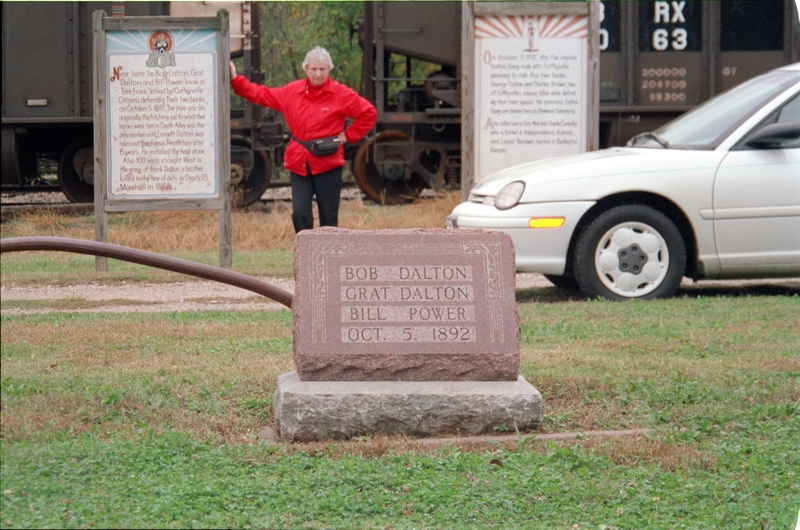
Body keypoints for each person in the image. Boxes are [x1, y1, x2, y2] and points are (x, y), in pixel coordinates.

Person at [229, 46, 377, 233]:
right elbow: (261, 94)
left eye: (322, 69)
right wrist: (235, 80)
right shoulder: (291, 92)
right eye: (313, 69)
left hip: (328, 164)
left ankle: (327, 258)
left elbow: (369, 113)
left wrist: (347, 136)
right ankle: (305, 254)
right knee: (300, 214)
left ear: (329, 69)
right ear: (306, 69)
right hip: (299, 163)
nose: (317, 74)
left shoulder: (341, 94)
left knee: (329, 218)